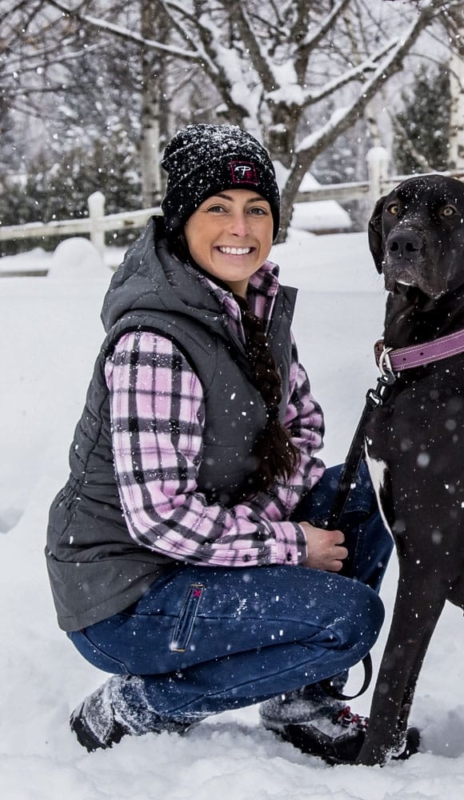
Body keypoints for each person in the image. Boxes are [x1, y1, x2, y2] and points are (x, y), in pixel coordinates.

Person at [45, 123, 396, 765]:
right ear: (182, 221)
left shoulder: (255, 308)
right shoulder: (156, 343)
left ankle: (300, 699)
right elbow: (161, 519)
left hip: (200, 552)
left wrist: (261, 528)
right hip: (130, 594)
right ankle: (138, 705)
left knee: (369, 488)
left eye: (256, 209)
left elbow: (303, 428)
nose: (241, 227)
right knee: (349, 618)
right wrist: (291, 545)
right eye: (218, 209)